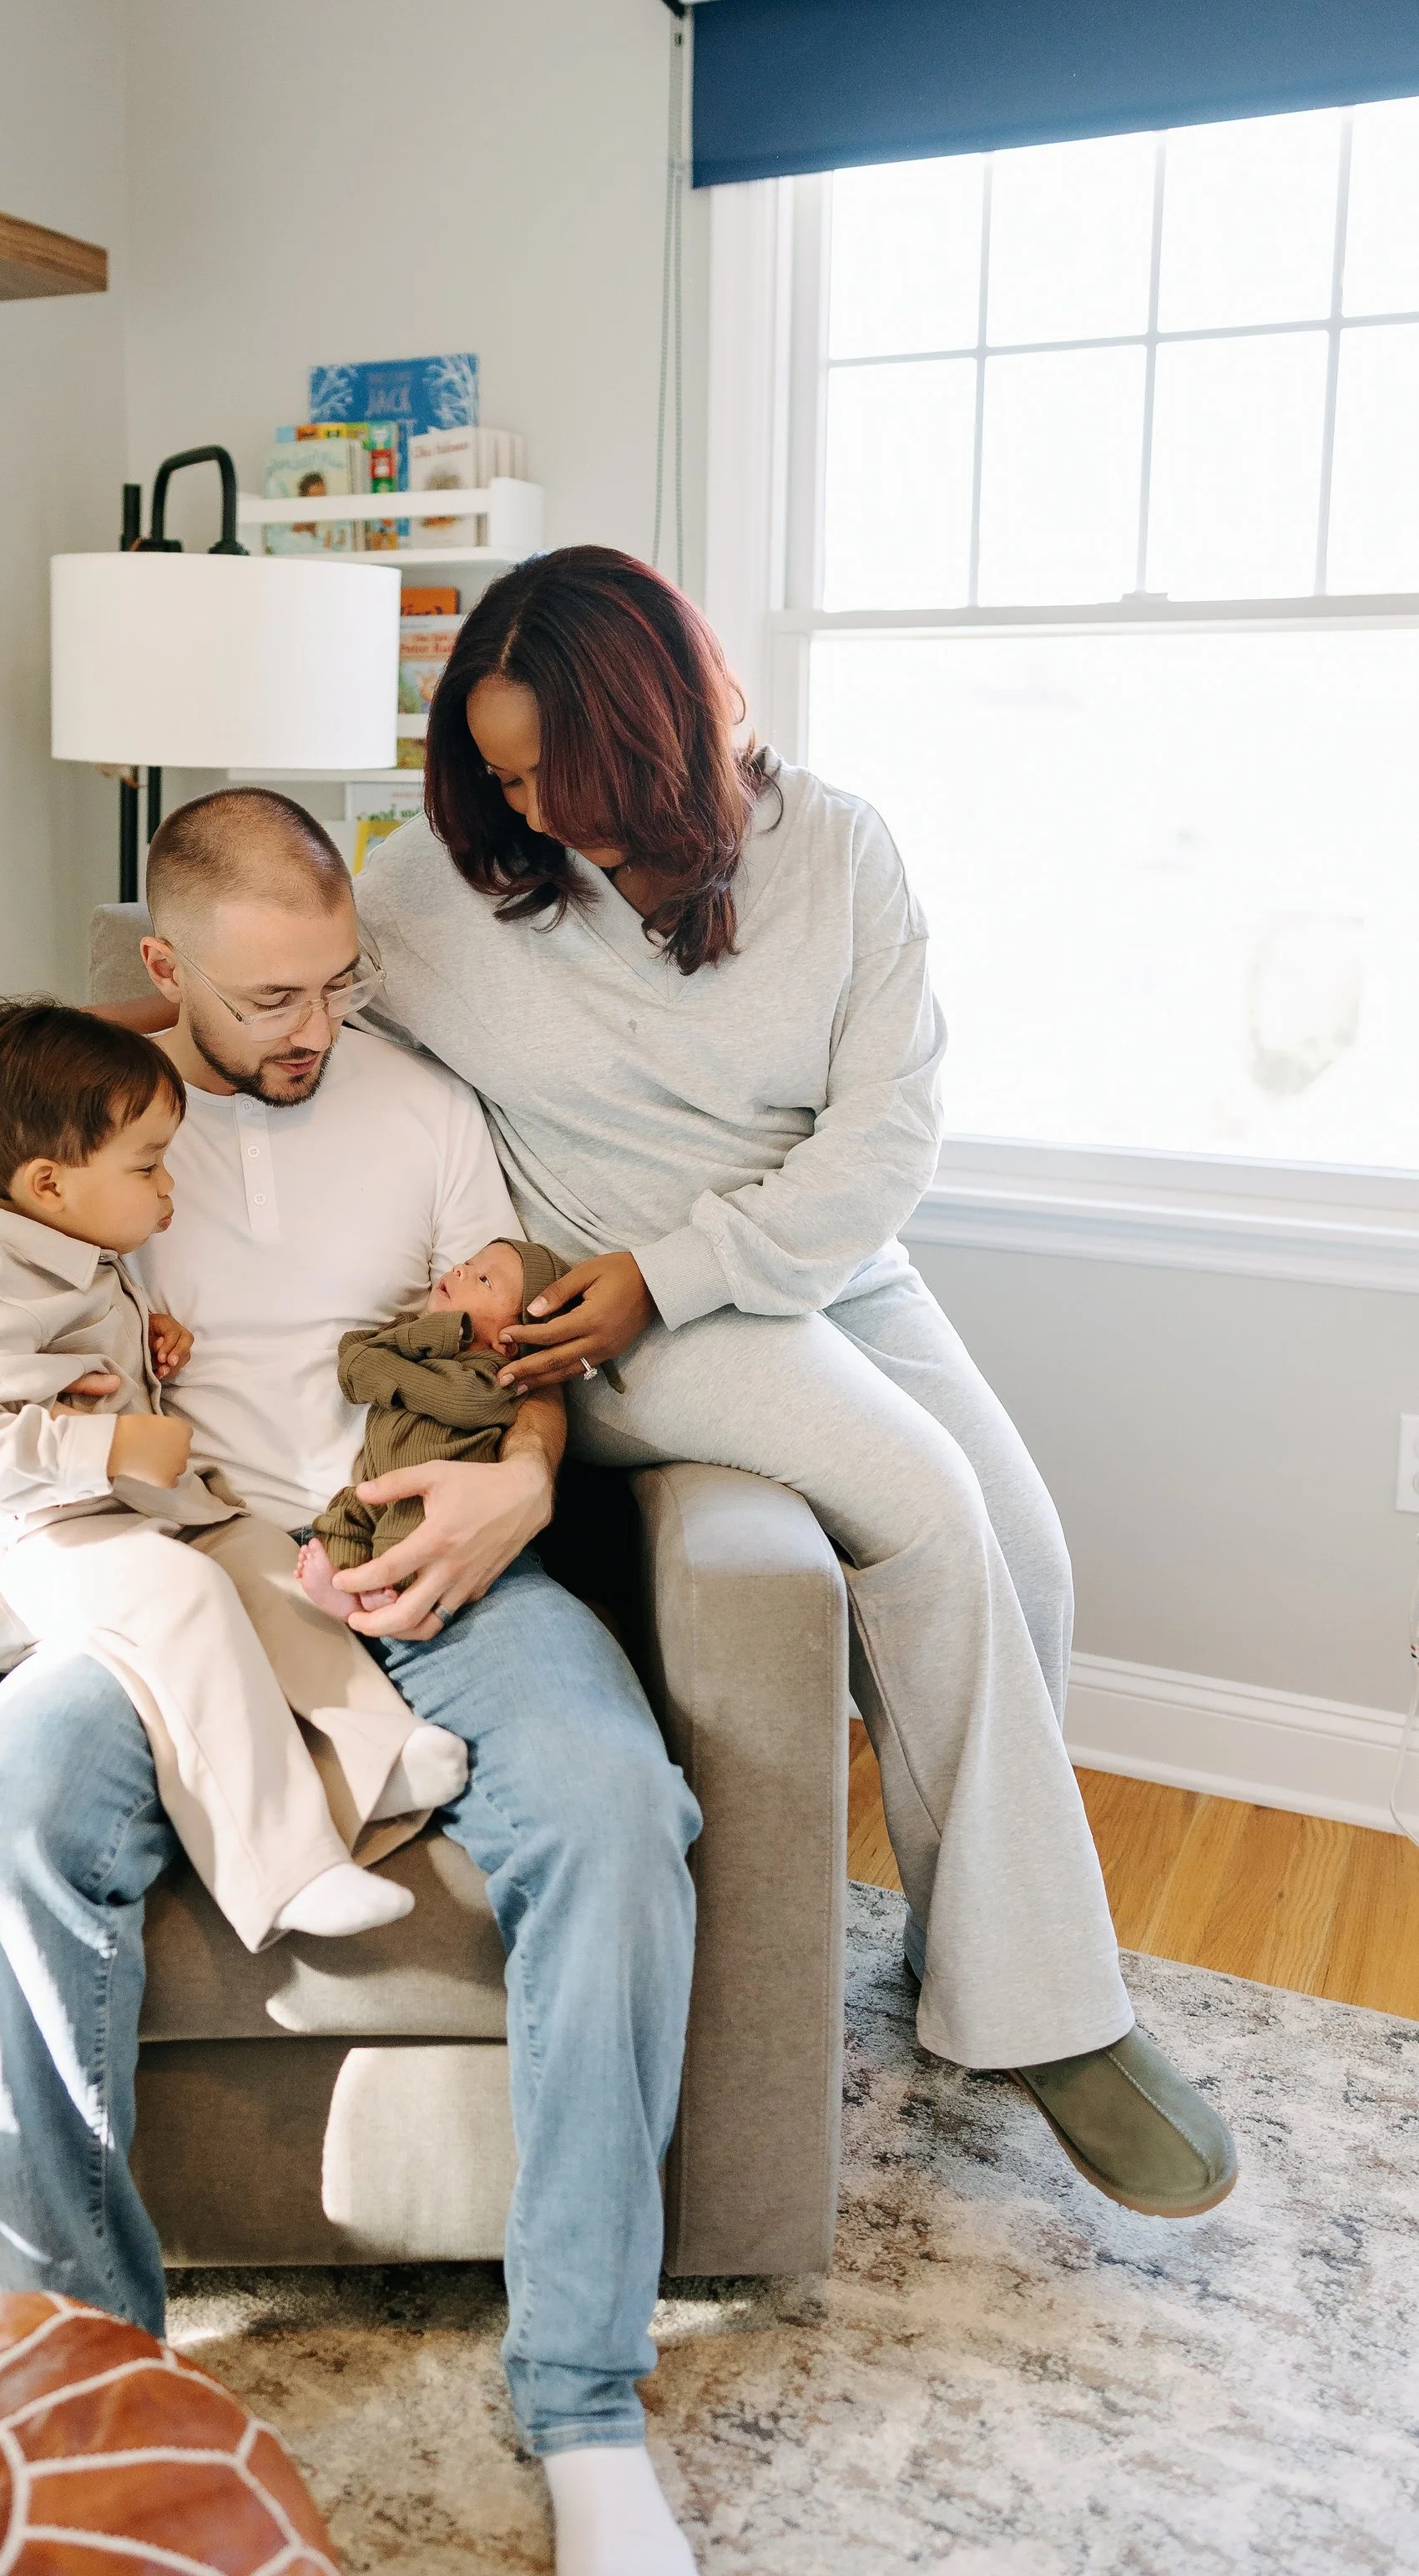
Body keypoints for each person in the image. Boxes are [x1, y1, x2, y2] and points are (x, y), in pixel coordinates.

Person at [0, 787, 708, 2576]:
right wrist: (30, 1436)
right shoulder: (88, 1127)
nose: (308, 1031)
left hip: (429, 1558)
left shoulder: (418, 1110)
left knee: (612, 1805)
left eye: (333, 983)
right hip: (184, 1580)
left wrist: (517, 1477)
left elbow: (518, 1365)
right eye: (260, 1002)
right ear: (164, 973)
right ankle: (89, 2396)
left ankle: (581, 2407)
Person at [352, 541, 1238, 2220]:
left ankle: (962, 1957)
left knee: (1027, 1551)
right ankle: (1056, 2019)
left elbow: (883, 1139)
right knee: (921, 1513)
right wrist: (79, 1077)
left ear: (666, 735)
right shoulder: (432, 890)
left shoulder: (835, 852)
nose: (527, 807)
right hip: (607, 1316)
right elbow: (274, 1003)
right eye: (498, 768)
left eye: (561, 766)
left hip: (796, 1265)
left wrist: (692, 1266)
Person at [0, 993, 465, 1951]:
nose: (171, 1188)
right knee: (183, 1594)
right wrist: (112, 1445)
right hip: (30, 1551)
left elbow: (67, 1350)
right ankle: (285, 1869)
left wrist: (144, 1341)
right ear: (47, 1184)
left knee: (261, 1559)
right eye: (149, 1167)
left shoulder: (72, 1246)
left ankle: (377, 1755)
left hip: (129, 1517)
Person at [295, 1235, 575, 1619]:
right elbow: (354, 1362)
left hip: (431, 1497)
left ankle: (387, 1589)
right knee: (342, 1521)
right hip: (376, 1484)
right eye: (470, 1263)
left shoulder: (492, 1376)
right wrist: (430, 1333)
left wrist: (407, 1360)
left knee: (408, 1534)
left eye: (484, 1281)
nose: (461, 1269)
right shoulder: (410, 1335)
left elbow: (459, 1400)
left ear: (508, 1343)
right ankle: (347, 1587)